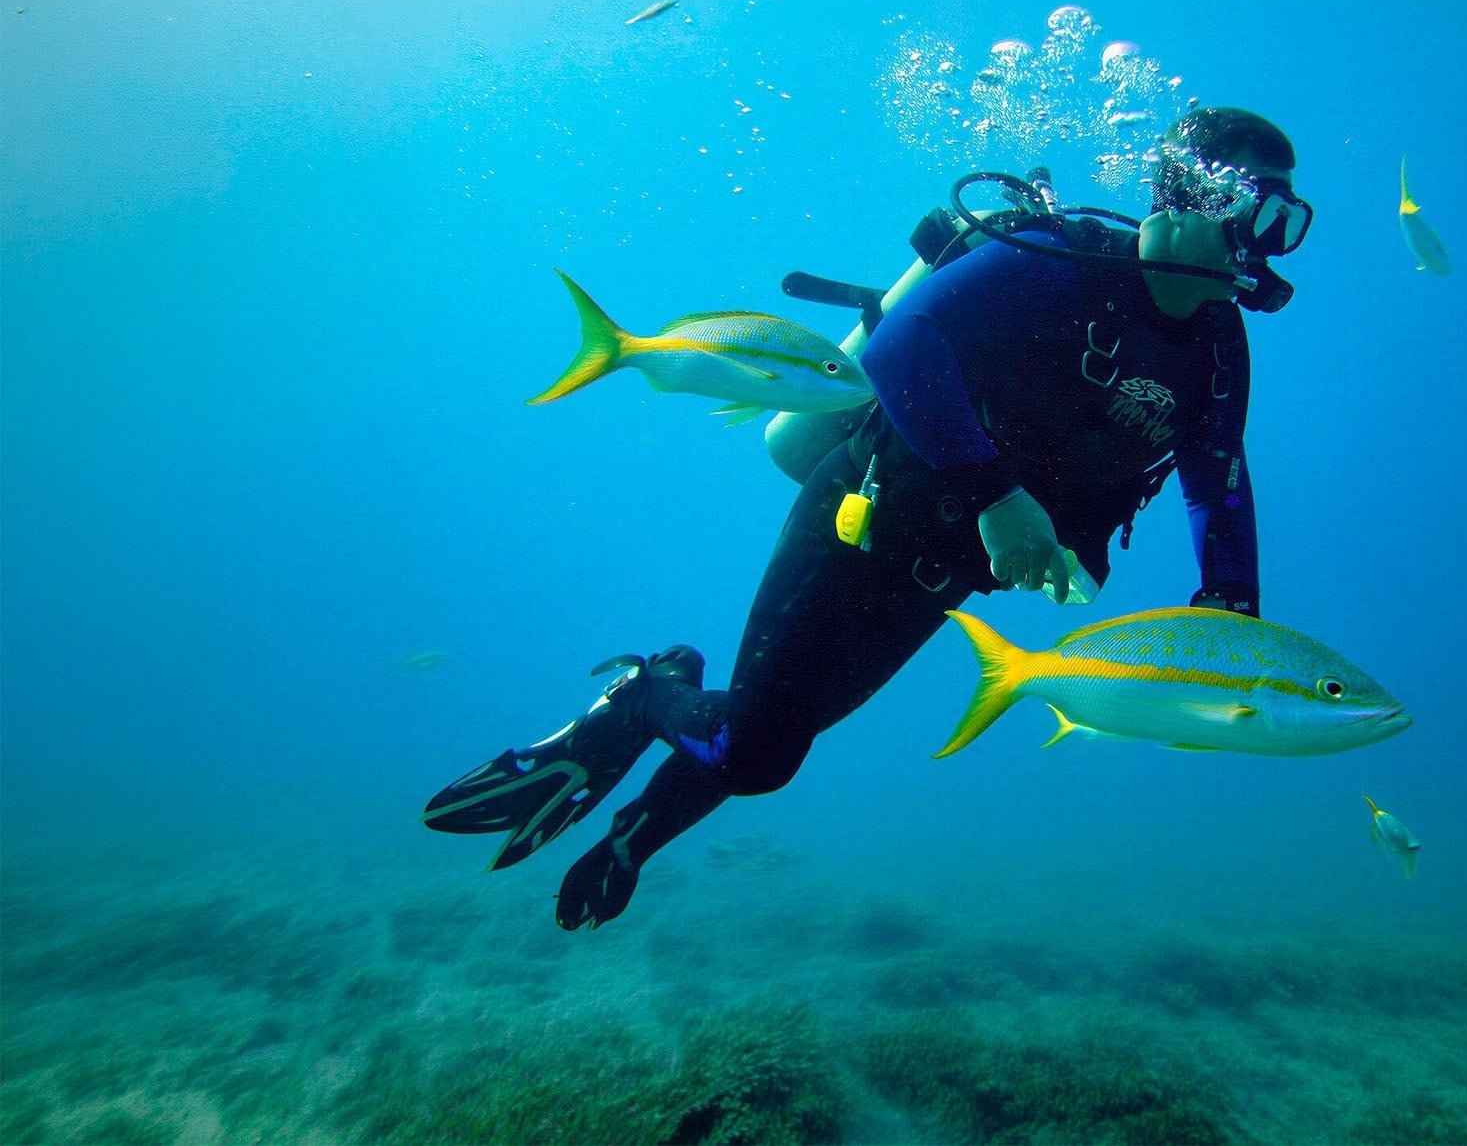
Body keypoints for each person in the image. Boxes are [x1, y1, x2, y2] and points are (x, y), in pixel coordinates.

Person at [424, 106, 1315, 929]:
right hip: (866, 516)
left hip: (945, 572)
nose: (1276, 245)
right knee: (761, 748)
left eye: (1290, 224)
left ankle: (632, 836)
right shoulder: (1054, 260)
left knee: (772, 735)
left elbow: (1217, 478)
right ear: (1198, 193)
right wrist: (999, 500)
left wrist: (1232, 606)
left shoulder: (1220, 348)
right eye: (1269, 213)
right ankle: (644, 693)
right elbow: (900, 347)